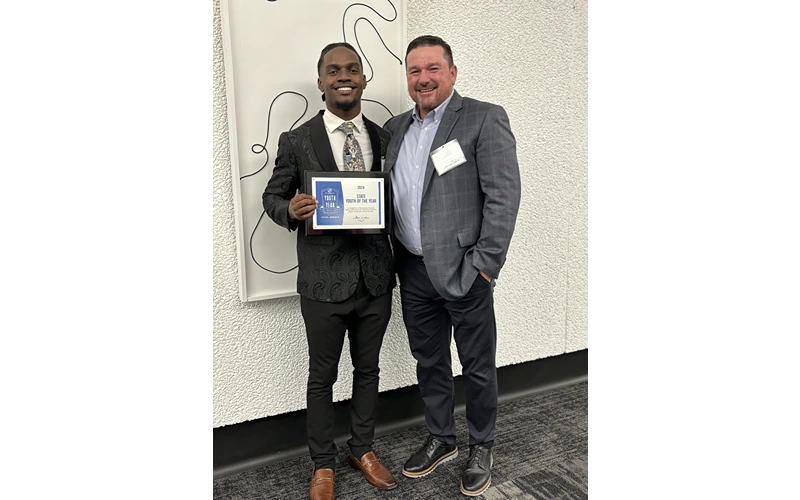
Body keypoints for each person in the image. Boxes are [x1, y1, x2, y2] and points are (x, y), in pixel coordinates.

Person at [382, 35, 521, 497]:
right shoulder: (396, 128)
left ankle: (482, 445)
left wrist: (485, 265)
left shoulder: (483, 117)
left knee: (477, 364)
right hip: (413, 269)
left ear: (452, 72)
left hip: (465, 269)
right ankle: (441, 437)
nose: (423, 78)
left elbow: (503, 196)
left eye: (433, 69)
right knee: (429, 361)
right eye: (414, 71)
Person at [263, 42, 398, 500]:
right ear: (320, 81)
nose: (344, 77)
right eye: (334, 70)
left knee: (368, 370)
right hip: (322, 282)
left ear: (363, 79)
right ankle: (323, 462)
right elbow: (272, 196)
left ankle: (362, 449)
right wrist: (290, 210)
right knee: (322, 378)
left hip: (375, 279)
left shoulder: (383, 137)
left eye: (353, 69)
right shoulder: (297, 140)